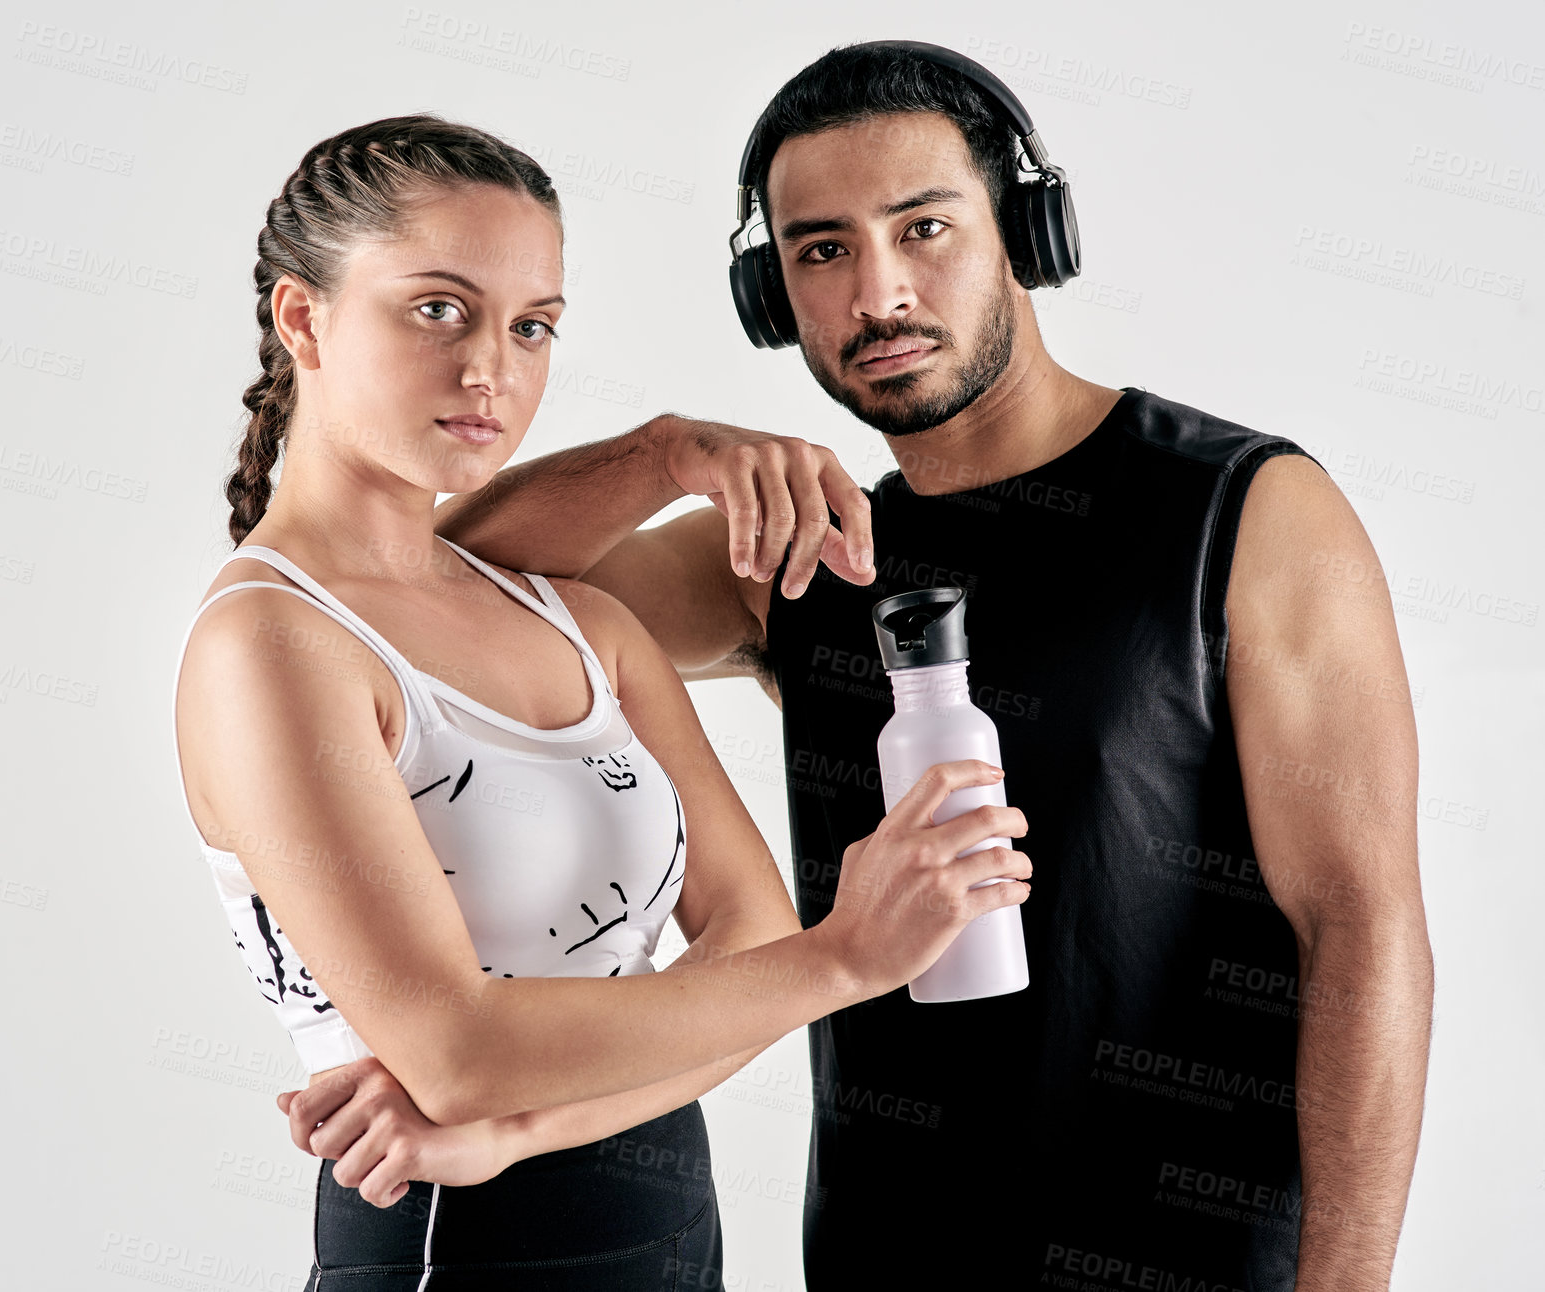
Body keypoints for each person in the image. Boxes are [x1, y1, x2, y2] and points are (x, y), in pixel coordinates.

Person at [393, 42, 1435, 1289]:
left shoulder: (1245, 510)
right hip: (884, 1256)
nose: (877, 294)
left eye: (923, 227)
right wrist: (663, 453)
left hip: (1198, 1257)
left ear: (1022, 232)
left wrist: (1349, 1280)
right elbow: (424, 600)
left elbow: (1359, 923)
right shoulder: (799, 557)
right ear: (772, 297)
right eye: (821, 251)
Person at [169, 111, 1033, 1291]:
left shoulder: (579, 622)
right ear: (301, 316)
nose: (491, 368)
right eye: (437, 309)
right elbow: (458, 1047)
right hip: (452, 1246)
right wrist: (846, 959)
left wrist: (528, 1124)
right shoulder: (268, 643)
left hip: (670, 1222)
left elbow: (750, 943)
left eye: (532, 327)